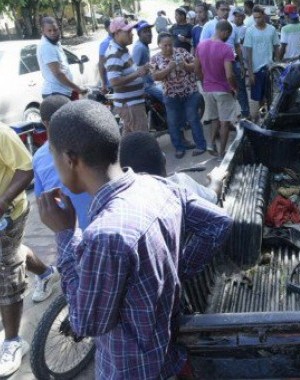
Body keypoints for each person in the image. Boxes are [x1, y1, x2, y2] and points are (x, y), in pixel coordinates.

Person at [37, 100, 232, 379]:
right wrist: (178, 271)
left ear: (70, 160)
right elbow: (218, 223)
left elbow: (85, 323)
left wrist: (65, 234)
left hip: (132, 370)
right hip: (168, 355)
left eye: (53, 157)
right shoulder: (158, 186)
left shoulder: (104, 236)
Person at [0, 122, 60, 376]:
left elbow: (26, 169)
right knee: (12, 253)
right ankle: (46, 274)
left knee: (7, 269)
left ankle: (14, 341)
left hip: (8, 212)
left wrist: (2, 201)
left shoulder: (1, 133)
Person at [33, 95, 92, 230]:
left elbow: (41, 201)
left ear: (45, 123)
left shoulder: (38, 158)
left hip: (68, 230)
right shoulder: (91, 142)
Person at [151, 32, 208, 159]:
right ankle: (179, 148)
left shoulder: (181, 51)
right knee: (173, 123)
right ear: (159, 45)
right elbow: (155, 76)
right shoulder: (155, 59)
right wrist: (168, 68)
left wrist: (186, 66)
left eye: (170, 45)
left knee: (193, 119)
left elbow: (196, 65)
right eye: (165, 45)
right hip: (171, 96)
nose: (168, 48)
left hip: (189, 92)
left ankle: (201, 145)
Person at [119, 131, 218, 204]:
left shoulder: (128, 202)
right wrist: (215, 181)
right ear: (164, 159)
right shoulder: (180, 183)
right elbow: (212, 198)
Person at [195, 21, 238, 157]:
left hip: (208, 88)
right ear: (224, 32)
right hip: (223, 89)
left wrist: (204, 82)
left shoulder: (201, 45)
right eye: (228, 35)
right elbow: (229, 75)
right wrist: (235, 88)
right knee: (225, 122)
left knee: (214, 119)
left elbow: (197, 69)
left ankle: (210, 144)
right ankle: (221, 153)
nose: (228, 37)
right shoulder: (226, 49)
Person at [200, 1, 249, 119]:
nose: (226, 12)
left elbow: (237, 46)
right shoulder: (209, 26)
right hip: (216, 65)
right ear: (216, 10)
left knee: (240, 88)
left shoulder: (232, 26)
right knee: (219, 93)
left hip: (233, 62)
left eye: (227, 9)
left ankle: (246, 114)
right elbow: (202, 46)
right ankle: (219, 122)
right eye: (222, 9)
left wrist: (242, 64)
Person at [105, 17, 150, 135]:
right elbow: (114, 81)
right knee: (142, 139)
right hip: (130, 105)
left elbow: (130, 72)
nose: (132, 34)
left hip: (132, 103)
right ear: (117, 33)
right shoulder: (114, 53)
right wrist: (137, 73)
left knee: (129, 139)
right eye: (128, 32)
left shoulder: (123, 50)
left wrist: (141, 71)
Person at [243, 6, 279, 121]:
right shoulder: (250, 31)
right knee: (259, 98)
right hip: (256, 70)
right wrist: (250, 72)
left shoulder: (272, 29)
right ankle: (262, 117)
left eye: (259, 17)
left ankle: (270, 117)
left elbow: (276, 47)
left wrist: (278, 66)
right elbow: (248, 52)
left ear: (264, 15)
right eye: (255, 18)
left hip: (269, 68)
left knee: (270, 96)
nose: (257, 20)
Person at [36, 16, 87, 99]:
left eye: (55, 29)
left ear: (59, 28)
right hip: (55, 93)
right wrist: (78, 89)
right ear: (43, 32)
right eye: (49, 31)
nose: (53, 33)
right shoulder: (47, 46)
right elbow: (58, 74)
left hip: (62, 92)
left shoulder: (55, 43)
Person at [131, 20, 165, 105]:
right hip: (146, 86)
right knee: (168, 97)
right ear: (139, 34)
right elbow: (133, 69)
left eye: (149, 31)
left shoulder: (144, 45)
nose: (149, 34)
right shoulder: (140, 48)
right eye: (145, 32)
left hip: (150, 82)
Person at [97, 18, 113, 94]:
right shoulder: (105, 43)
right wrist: (104, 84)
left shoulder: (119, 40)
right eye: (111, 26)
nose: (113, 27)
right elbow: (101, 64)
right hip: (111, 83)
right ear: (106, 29)